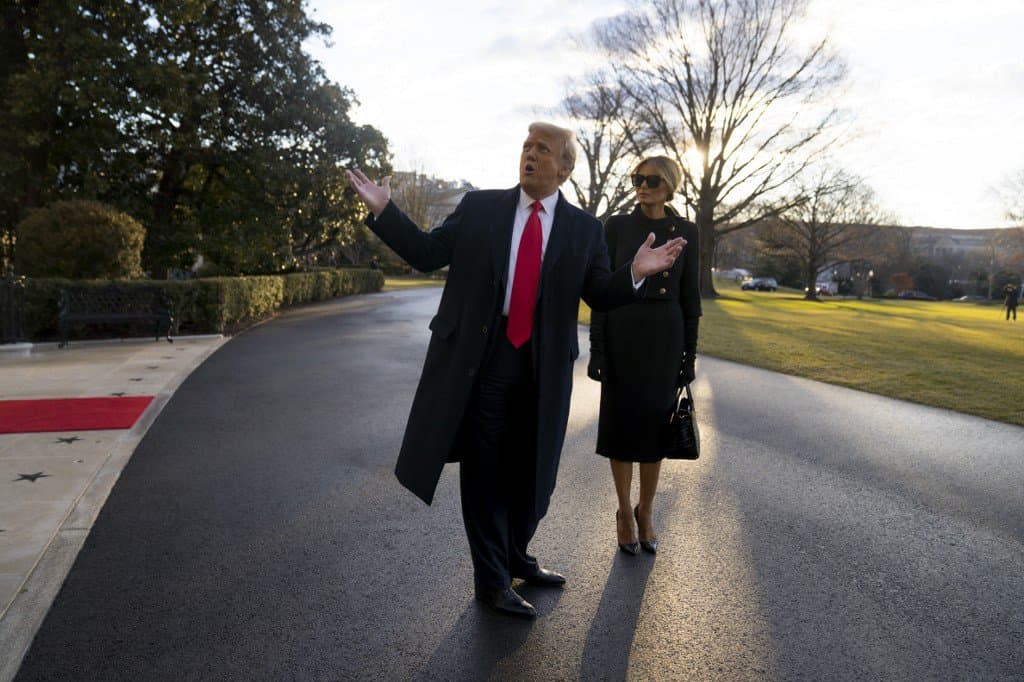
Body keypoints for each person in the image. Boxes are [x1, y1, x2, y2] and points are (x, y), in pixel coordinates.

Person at [345, 123, 685, 619]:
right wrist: (385, 211)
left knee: (535, 472)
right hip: (485, 360)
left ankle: (515, 555)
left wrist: (634, 272)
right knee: (485, 473)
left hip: (544, 367)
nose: (530, 155)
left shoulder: (583, 228)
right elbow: (426, 254)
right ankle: (491, 580)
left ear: (564, 168)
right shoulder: (480, 208)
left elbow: (601, 294)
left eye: (542, 150)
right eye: (526, 147)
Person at [587, 156, 701, 555]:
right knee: (620, 429)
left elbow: (691, 298)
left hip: (665, 339)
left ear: (669, 185)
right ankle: (622, 511)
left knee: (656, 429)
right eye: (637, 179)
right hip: (622, 332)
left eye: (651, 180)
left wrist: (690, 355)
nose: (643, 186)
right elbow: (602, 291)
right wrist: (597, 348)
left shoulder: (687, 231)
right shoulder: (616, 226)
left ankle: (646, 511)